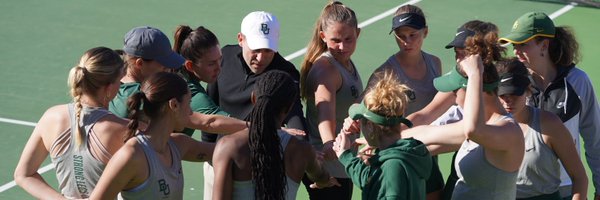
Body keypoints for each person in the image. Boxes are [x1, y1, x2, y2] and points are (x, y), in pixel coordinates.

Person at [499, 11, 600, 199]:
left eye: (523, 45)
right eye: (514, 45)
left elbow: (595, 137)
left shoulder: (577, 81)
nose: (516, 51)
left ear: (544, 45)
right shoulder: (513, 83)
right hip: (521, 188)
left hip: (567, 187)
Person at [14, 47, 128, 199]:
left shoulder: (51, 117)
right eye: (120, 81)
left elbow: (23, 175)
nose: (121, 86)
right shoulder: (123, 129)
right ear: (109, 87)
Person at [212, 71, 339, 200]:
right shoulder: (303, 150)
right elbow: (320, 176)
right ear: (289, 108)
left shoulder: (227, 146)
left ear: (253, 98)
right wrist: (325, 181)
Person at [89, 72, 215, 200]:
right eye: (189, 103)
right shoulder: (132, 156)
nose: (191, 111)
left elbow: (225, 149)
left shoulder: (180, 145)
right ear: (174, 105)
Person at [363, 4, 444, 198]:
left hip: (429, 151)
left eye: (413, 35)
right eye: (401, 36)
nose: (406, 41)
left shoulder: (435, 63)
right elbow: (365, 113)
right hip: (398, 158)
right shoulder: (384, 74)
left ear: (425, 32)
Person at [206, 11, 307, 143]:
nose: (261, 58)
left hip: (259, 158)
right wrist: (209, 151)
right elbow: (210, 106)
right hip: (218, 152)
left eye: (268, 50)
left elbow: (295, 118)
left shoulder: (285, 74)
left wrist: (303, 148)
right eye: (256, 49)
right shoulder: (224, 57)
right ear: (241, 39)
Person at [172, 24, 248, 200]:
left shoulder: (176, 73)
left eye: (220, 60)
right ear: (190, 66)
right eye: (211, 63)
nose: (219, 68)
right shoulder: (189, 91)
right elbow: (213, 122)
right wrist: (270, 130)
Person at [497, 58, 588, 199]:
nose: (508, 101)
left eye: (515, 93)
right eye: (502, 95)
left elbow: (580, 178)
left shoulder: (550, 124)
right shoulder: (486, 125)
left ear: (528, 90)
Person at [334, 70, 433, 199]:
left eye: (361, 122)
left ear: (370, 126)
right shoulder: (412, 152)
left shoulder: (392, 167)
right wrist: (346, 157)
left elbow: (386, 183)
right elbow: (372, 179)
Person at [299, 1, 362, 199]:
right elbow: (325, 113)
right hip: (327, 167)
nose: (342, 46)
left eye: (348, 39)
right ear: (323, 36)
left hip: (341, 161)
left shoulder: (344, 61)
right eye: (335, 40)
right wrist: (329, 142)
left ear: (358, 34)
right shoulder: (326, 69)